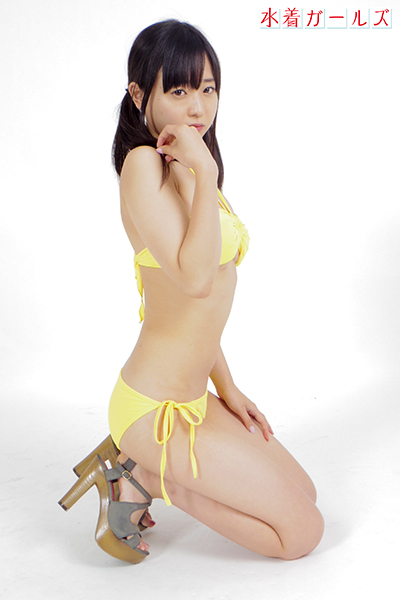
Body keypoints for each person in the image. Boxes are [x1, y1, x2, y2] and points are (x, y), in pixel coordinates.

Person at [59, 19, 324, 563]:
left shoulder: (187, 166)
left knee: (306, 496)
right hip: (154, 409)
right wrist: (203, 170)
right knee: (301, 535)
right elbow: (197, 280)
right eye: (178, 91)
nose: (198, 107)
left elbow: (194, 309)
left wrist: (228, 387)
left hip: (195, 399)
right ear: (140, 95)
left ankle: (146, 469)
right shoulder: (144, 166)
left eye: (207, 89)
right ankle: (144, 477)